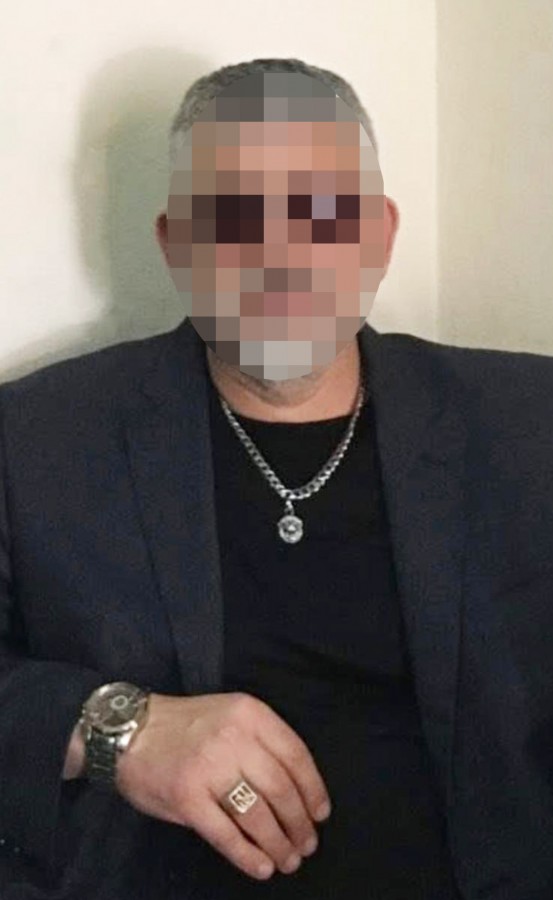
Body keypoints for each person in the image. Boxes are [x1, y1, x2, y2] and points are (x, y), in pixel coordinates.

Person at [1, 56, 553, 900]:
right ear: (174, 244)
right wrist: (114, 727)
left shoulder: (527, 426)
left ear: (379, 235)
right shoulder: (36, 437)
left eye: (320, 212)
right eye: (233, 216)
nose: (278, 255)